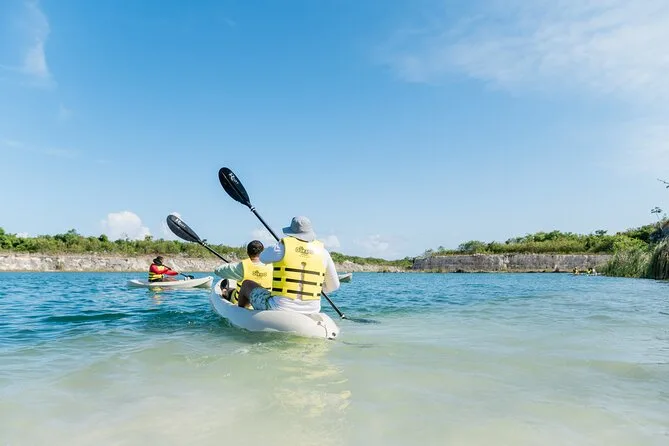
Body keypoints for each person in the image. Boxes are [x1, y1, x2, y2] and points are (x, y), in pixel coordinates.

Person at [236, 216, 340, 314]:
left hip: (280, 307)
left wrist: (280, 245)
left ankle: (241, 315)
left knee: (247, 284)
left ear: (291, 232)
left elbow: (262, 258)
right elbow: (334, 285)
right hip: (312, 309)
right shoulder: (323, 252)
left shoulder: (281, 247)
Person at [214, 240, 273, 305]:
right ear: (262, 252)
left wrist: (232, 265)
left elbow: (217, 271)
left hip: (241, 304)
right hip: (265, 303)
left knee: (230, 290)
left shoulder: (241, 266)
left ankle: (225, 291)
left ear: (247, 252)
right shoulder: (272, 266)